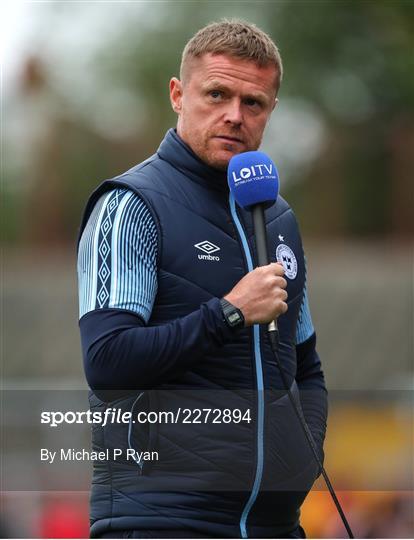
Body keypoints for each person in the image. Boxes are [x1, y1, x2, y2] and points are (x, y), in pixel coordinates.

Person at [77, 19, 328, 539]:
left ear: (270, 110)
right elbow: (109, 364)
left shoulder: (277, 216)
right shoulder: (131, 206)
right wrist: (229, 312)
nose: (234, 115)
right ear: (178, 94)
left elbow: (305, 363)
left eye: (252, 102)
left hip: (275, 524)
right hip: (160, 518)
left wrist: (303, 458)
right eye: (216, 94)